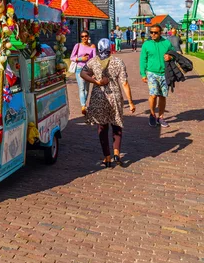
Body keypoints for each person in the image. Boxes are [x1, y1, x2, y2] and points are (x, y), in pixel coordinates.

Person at [81, 38, 135, 167]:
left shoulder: (93, 61)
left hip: (99, 97)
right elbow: (124, 83)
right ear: (110, 48)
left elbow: (83, 73)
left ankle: (107, 157)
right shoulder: (118, 62)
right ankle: (116, 152)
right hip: (115, 96)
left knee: (102, 126)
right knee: (116, 124)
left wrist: (95, 82)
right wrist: (131, 102)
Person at [140, 24, 173, 128]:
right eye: (151, 32)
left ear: (161, 33)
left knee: (162, 96)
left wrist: (170, 57)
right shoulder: (146, 44)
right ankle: (152, 114)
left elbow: (174, 54)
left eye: (155, 32)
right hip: (151, 72)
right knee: (153, 95)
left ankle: (161, 117)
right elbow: (143, 59)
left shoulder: (166, 43)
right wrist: (143, 73)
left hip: (164, 73)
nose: (153, 34)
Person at [70, 30, 96, 114]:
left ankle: (84, 104)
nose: (84, 38)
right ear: (80, 37)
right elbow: (72, 57)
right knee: (82, 88)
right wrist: (81, 59)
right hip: (79, 68)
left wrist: (94, 71)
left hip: (88, 69)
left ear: (88, 37)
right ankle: (83, 106)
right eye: (82, 36)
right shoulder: (77, 45)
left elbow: (94, 59)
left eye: (85, 36)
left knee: (87, 89)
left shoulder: (92, 46)